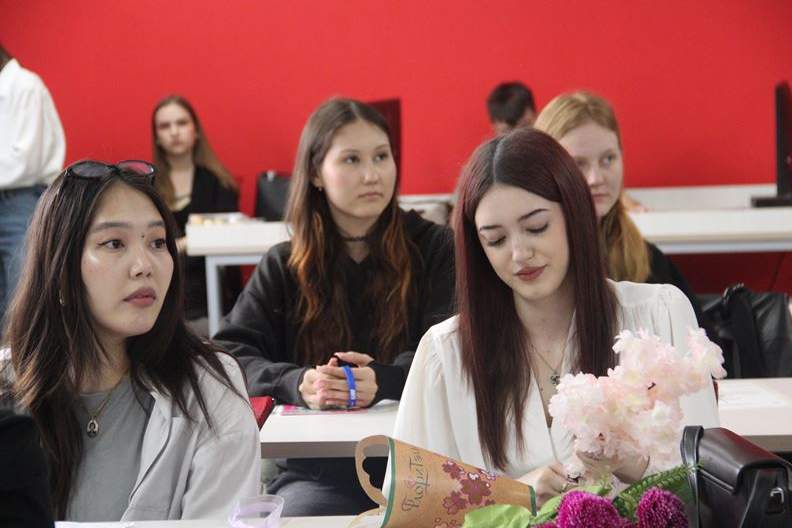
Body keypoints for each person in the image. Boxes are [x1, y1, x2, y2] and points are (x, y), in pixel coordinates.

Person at [391, 128, 718, 507]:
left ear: (573, 215)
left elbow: (709, 487)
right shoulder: (445, 353)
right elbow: (412, 507)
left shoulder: (659, 314)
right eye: (495, 240)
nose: (519, 253)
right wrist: (512, 495)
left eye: (536, 228)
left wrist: (636, 466)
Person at [214, 98, 455, 516]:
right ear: (315, 174)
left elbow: (456, 350)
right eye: (351, 159)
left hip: (423, 463)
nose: (372, 175)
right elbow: (229, 356)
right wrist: (298, 382)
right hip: (316, 473)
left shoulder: (435, 248)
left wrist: (384, 379)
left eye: (381, 156)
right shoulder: (285, 264)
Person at [1, 160, 259, 521]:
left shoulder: (210, 387)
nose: (144, 265)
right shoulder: (7, 387)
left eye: (157, 242)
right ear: (59, 271)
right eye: (114, 243)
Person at [534, 91, 702, 320]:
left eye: (608, 159)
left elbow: (699, 339)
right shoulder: (532, 264)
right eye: (578, 164)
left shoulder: (647, 259)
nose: (596, 178)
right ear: (545, 170)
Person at [151, 95, 240, 326]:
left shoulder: (220, 183)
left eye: (181, 123)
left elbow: (227, 239)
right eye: (165, 126)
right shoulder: (147, 188)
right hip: (161, 293)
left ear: (196, 130)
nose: (174, 132)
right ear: (157, 137)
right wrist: (184, 244)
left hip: (209, 294)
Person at [0, 42, 65, 332]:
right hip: (11, 201)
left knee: (22, 308)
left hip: (20, 204)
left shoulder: (25, 86)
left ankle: (22, 363)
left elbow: (25, 162)